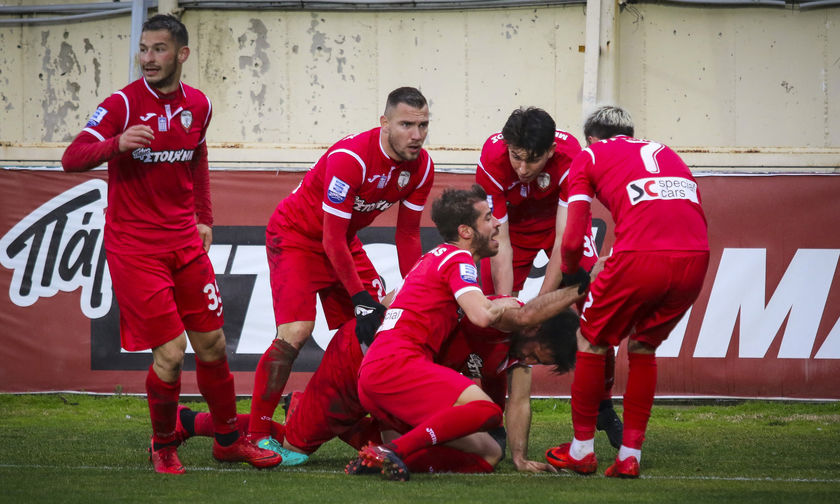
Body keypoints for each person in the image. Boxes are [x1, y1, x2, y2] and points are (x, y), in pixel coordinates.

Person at [60, 14, 281, 474]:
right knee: (171, 351)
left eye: (159, 49)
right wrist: (116, 143)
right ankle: (163, 442)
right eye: (144, 49)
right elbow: (72, 158)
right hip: (136, 248)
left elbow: (197, 157)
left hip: (185, 241)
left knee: (214, 345)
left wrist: (205, 217)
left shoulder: (198, 104)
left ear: (181, 54)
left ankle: (226, 442)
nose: (148, 59)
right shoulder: (121, 104)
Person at [247, 87, 434, 455]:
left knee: (380, 333)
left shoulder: (422, 167)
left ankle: (334, 415)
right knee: (296, 332)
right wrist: (361, 298)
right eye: (406, 124)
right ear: (384, 123)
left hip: (343, 240)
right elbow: (329, 237)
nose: (417, 135)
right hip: (297, 236)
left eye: (423, 125)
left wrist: (415, 289)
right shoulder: (353, 158)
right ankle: (256, 435)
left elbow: (409, 234)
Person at [544, 105, 709, 478]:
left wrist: (574, 276)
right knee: (643, 347)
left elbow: (572, 239)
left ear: (590, 138)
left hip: (641, 257)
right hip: (696, 258)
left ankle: (581, 451)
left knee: (591, 342)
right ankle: (629, 455)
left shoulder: (589, 155)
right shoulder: (666, 151)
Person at [349, 185, 536, 481]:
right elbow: (482, 315)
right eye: (488, 218)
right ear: (466, 231)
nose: (497, 223)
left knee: (489, 453)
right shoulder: (458, 260)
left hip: (378, 373)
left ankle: (383, 457)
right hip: (398, 367)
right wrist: (511, 303)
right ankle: (393, 449)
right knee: (486, 411)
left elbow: (389, 303)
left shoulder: (431, 259)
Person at [476, 107, 622, 449]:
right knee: (491, 319)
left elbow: (563, 241)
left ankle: (603, 403)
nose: (523, 169)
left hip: (561, 229)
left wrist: (537, 310)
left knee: (597, 306)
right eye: (516, 158)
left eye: (533, 160)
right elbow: (503, 241)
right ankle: (492, 415)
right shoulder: (493, 157)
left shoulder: (572, 156)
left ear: (551, 152)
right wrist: (505, 306)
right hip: (514, 231)